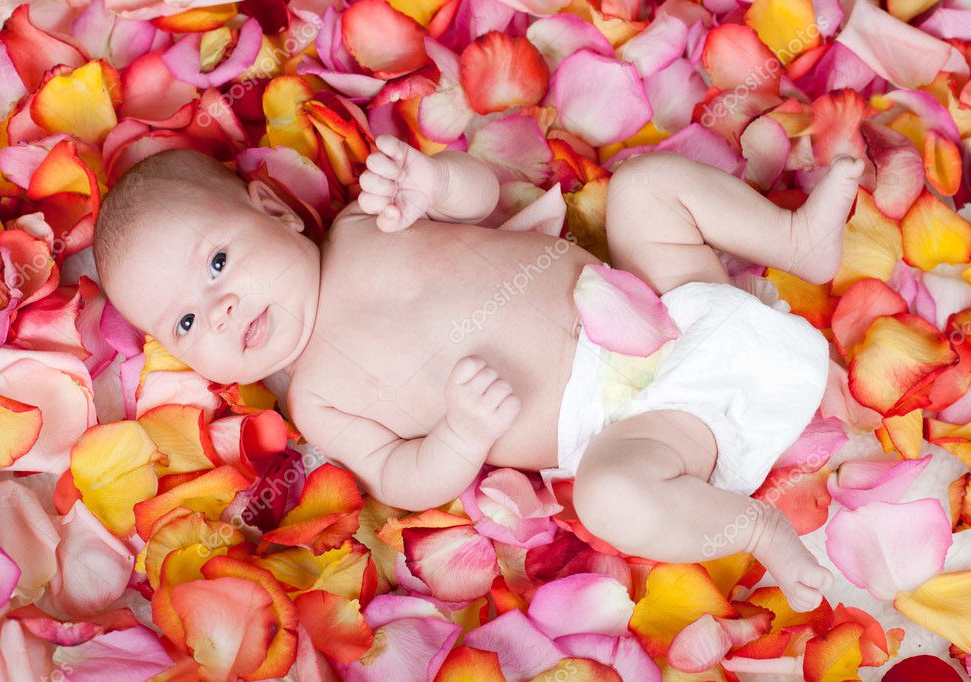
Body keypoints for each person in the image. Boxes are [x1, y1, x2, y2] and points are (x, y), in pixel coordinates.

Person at [93, 135, 864, 612]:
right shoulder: (321, 401)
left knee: (642, 190)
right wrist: (461, 433)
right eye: (186, 324)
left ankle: (794, 238)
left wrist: (436, 185)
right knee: (607, 496)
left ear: (275, 208)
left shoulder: (371, 220)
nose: (221, 310)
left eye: (217, 264)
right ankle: (754, 528)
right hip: (638, 423)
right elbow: (401, 476)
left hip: (666, 299)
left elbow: (485, 194)